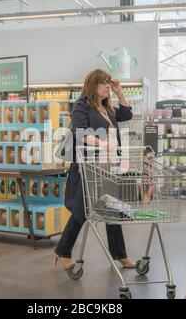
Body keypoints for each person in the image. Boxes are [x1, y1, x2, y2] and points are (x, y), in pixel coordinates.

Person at [54, 69, 135, 269]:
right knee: (82, 211)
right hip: (87, 167)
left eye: (108, 82)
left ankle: (120, 254)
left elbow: (127, 114)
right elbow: (79, 133)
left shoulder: (107, 108)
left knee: (111, 208)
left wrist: (119, 92)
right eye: (103, 82)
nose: (107, 85)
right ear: (93, 85)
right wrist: (103, 144)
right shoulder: (82, 105)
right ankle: (63, 251)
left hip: (107, 166)